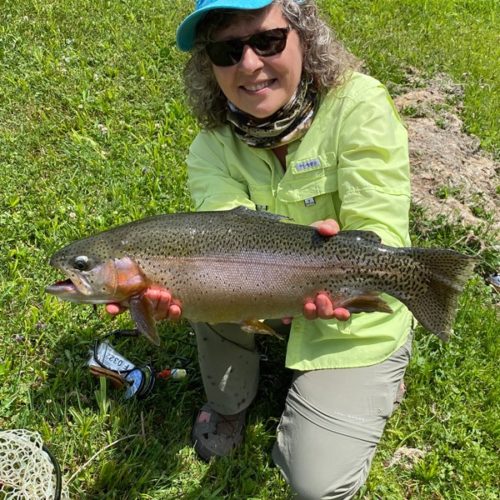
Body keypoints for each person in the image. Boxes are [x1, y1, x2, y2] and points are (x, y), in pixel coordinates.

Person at [108, 1, 414, 498]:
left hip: (349, 315)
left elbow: (382, 231)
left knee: (314, 485)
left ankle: (378, 370)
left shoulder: (359, 105)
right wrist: (164, 297)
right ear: (209, 66)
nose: (249, 64)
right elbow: (225, 241)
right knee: (202, 275)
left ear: (305, 38)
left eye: (267, 41)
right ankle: (230, 403)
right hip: (258, 291)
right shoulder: (211, 148)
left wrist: (345, 269)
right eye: (227, 50)